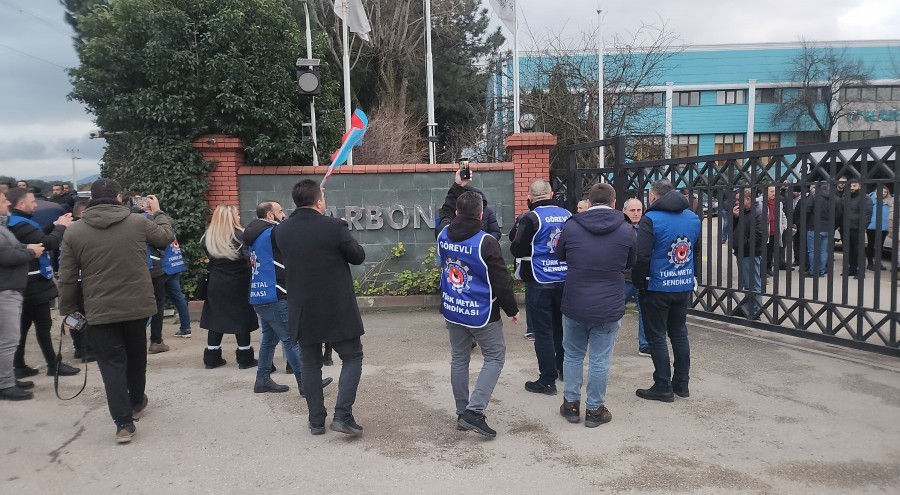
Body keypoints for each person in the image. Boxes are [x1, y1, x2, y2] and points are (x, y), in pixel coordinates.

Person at [58, 179, 175, 443]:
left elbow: (67, 277)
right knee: (136, 357)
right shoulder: (137, 222)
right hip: (136, 306)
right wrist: (157, 211)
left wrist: (68, 310)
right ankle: (136, 402)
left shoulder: (74, 232)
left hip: (98, 309)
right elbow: (165, 237)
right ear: (119, 197)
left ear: (91, 200)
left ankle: (123, 423)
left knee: (111, 365)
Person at [274, 180, 366, 436]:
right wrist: (343, 232)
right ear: (319, 202)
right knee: (352, 356)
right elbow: (358, 256)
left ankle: (316, 420)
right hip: (336, 306)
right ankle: (342, 415)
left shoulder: (281, 231)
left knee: (310, 363)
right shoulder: (334, 227)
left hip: (303, 307)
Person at [438, 191, 519, 438]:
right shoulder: (486, 242)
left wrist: (456, 186)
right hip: (481, 311)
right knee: (495, 356)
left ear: (457, 212)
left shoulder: (443, 234)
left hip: (453, 308)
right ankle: (473, 412)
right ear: (481, 215)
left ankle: (462, 411)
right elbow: (500, 280)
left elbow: (444, 215)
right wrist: (512, 309)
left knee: (459, 358)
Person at [556, 184, 635, 427]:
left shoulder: (571, 226)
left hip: (575, 301)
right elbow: (631, 261)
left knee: (572, 355)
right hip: (609, 304)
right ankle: (594, 410)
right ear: (614, 203)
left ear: (588, 203)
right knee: (600, 360)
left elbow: (560, 255)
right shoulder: (626, 229)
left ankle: (571, 405)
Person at [244, 200, 334, 395]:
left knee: (269, 340)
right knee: (290, 340)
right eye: (280, 211)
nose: (284, 215)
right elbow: (298, 235)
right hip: (275, 293)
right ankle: (307, 384)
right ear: (270, 215)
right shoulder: (272, 232)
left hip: (260, 294)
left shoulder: (256, 234)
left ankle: (262, 379)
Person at [632, 179, 701, 403]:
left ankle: (662, 385)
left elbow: (642, 256)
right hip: (682, 284)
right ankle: (681, 383)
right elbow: (695, 251)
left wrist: (639, 282)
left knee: (657, 336)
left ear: (653, 196)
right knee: (679, 333)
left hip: (657, 286)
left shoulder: (651, 219)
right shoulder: (692, 218)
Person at [5, 187, 80, 378]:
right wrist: (61, 227)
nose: (36, 205)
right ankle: (53, 365)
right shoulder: (20, 224)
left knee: (24, 325)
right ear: (21, 203)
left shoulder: (16, 222)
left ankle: (19, 365)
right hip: (34, 283)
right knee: (43, 325)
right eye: (32, 202)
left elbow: (37, 236)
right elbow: (48, 243)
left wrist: (53, 225)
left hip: (26, 282)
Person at [510, 179, 569, 395]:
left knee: (543, 332)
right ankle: (564, 371)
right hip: (564, 278)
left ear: (530, 197)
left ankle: (547, 381)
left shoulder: (530, 217)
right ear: (551, 193)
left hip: (540, 279)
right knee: (561, 329)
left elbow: (517, 248)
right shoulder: (567, 215)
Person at [200, 205, 260, 369]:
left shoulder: (209, 236)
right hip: (239, 283)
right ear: (231, 217)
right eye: (237, 214)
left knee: (215, 318)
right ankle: (245, 358)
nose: (239, 216)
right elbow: (249, 258)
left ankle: (212, 358)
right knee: (242, 318)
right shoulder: (241, 237)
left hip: (216, 283)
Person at [0, 190, 44, 400]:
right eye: (3, 201)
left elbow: (12, 247)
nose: (7, 204)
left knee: (10, 338)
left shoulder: (3, 226)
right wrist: (30, 252)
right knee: (8, 340)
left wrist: (25, 247)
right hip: (5, 290)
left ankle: (8, 377)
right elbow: (5, 255)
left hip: (12, 289)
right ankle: (5, 385)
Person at [436, 170, 501, 240]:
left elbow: (495, 232)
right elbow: (447, 211)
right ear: (480, 215)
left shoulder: (444, 235)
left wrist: (458, 185)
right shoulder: (484, 243)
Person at [732, 188, 766, 319]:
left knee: (753, 283)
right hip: (742, 252)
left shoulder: (758, 212)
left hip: (750, 253)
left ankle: (756, 310)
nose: (736, 202)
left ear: (748, 199)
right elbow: (735, 229)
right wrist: (735, 217)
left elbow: (759, 235)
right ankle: (748, 308)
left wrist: (744, 244)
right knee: (747, 283)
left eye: (738, 199)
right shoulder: (745, 211)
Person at [622, 197, 648, 356]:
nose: (636, 213)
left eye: (639, 210)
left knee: (645, 311)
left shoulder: (646, 228)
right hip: (624, 277)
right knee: (614, 310)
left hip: (642, 277)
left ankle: (645, 345)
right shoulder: (619, 228)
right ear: (624, 211)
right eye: (632, 210)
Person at [802, 183, 841, 277]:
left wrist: (806, 224)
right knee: (824, 251)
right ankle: (821, 271)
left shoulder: (814, 197)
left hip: (814, 227)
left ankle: (813, 271)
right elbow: (838, 214)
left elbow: (806, 210)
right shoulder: (836, 199)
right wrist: (834, 226)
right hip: (828, 228)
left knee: (813, 251)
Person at [837, 177, 872, 278]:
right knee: (848, 250)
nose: (852, 188)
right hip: (845, 228)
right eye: (850, 186)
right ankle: (852, 269)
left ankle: (861, 271)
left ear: (860, 186)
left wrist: (862, 227)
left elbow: (867, 214)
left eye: (854, 185)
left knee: (858, 251)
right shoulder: (845, 197)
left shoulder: (865, 198)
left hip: (857, 229)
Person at [764, 186, 789, 276]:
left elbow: (782, 215)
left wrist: (783, 226)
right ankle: (763, 270)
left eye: (775, 191)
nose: (773, 193)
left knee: (771, 251)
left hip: (775, 231)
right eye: (771, 191)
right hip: (765, 232)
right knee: (764, 252)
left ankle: (768, 268)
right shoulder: (760, 202)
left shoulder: (778, 203)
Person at [866, 185, 892, 271]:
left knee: (880, 246)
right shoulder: (870, 199)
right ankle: (870, 263)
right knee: (870, 245)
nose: (883, 193)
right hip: (871, 227)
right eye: (882, 191)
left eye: (885, 192)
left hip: (883, 228)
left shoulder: (890, 201)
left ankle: (878, 263)